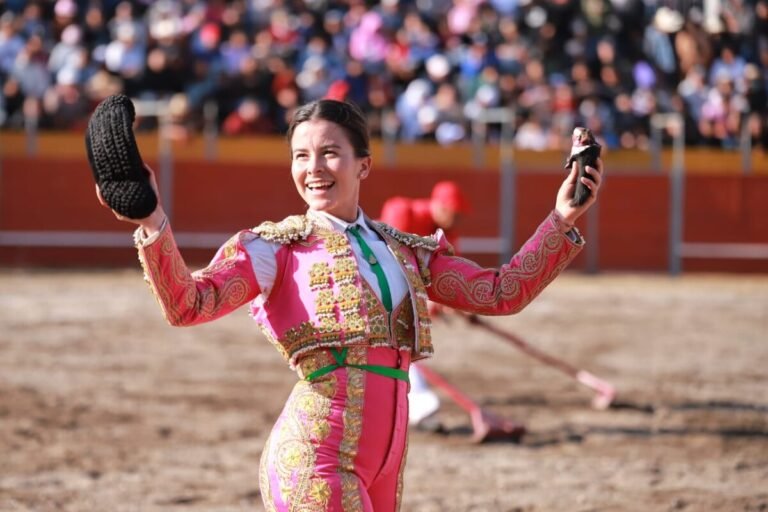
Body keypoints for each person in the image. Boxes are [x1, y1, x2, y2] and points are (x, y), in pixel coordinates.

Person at [95, 99, 603, 511]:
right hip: (314, 458)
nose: (313, 168)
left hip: (385, 466)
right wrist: (151, 221)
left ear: (364, 164)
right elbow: (189, 303)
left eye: (329, 153)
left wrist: (562, 217)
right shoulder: (275, 248)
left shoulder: (406, 249)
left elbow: (500, 292)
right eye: (300, 155)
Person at [379, 181, 472, 426]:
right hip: (375, 283)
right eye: (453, 212)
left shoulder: (446, 231)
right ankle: (417, 403)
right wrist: (426, 299)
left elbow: (451, 275)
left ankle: (411, 402)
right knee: (402, 340)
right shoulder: (402, 211)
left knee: (399, 343)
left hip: (402, 294)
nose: (456, 219)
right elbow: (391, 263)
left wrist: (457, 304)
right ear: (439, 206)